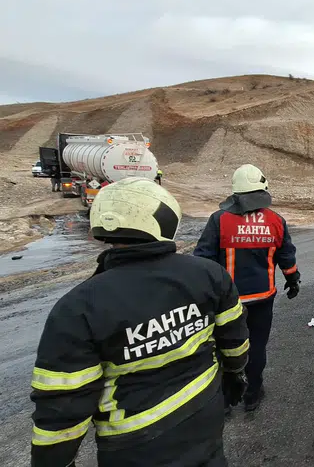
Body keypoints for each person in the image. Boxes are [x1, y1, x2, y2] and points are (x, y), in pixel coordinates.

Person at [29, 177, 250, 467]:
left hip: (133, 444)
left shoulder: (79, 307)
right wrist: (236, 373)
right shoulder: (208, 275)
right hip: (204, 413)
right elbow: (234, 339)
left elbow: (62, 406)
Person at [193, 164, 300, 413]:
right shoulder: (276, 221)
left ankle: (226, 398)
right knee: (257, 345)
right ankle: (252, 394)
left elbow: (203, 259)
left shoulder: (219, 220)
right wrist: (293, 280)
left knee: (223, 347)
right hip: (263, 298)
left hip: (227, 301)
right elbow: (287, 257)